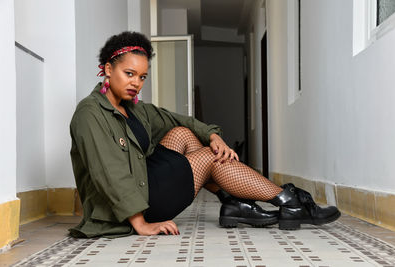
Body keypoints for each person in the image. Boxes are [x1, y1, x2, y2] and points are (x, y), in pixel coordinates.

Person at [69, 31, 340, 238]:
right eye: (129, 74)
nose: (136, 83)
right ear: (107, 69)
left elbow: (181, 120)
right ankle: (288, 200)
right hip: (133, 207)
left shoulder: (135, 109)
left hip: (145, 181)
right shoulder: (90, 114)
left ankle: (234, 203)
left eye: (142, 77)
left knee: (183, 133)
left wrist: (214, 136)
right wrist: (141, 224)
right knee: (209, 159)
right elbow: (110, 173)